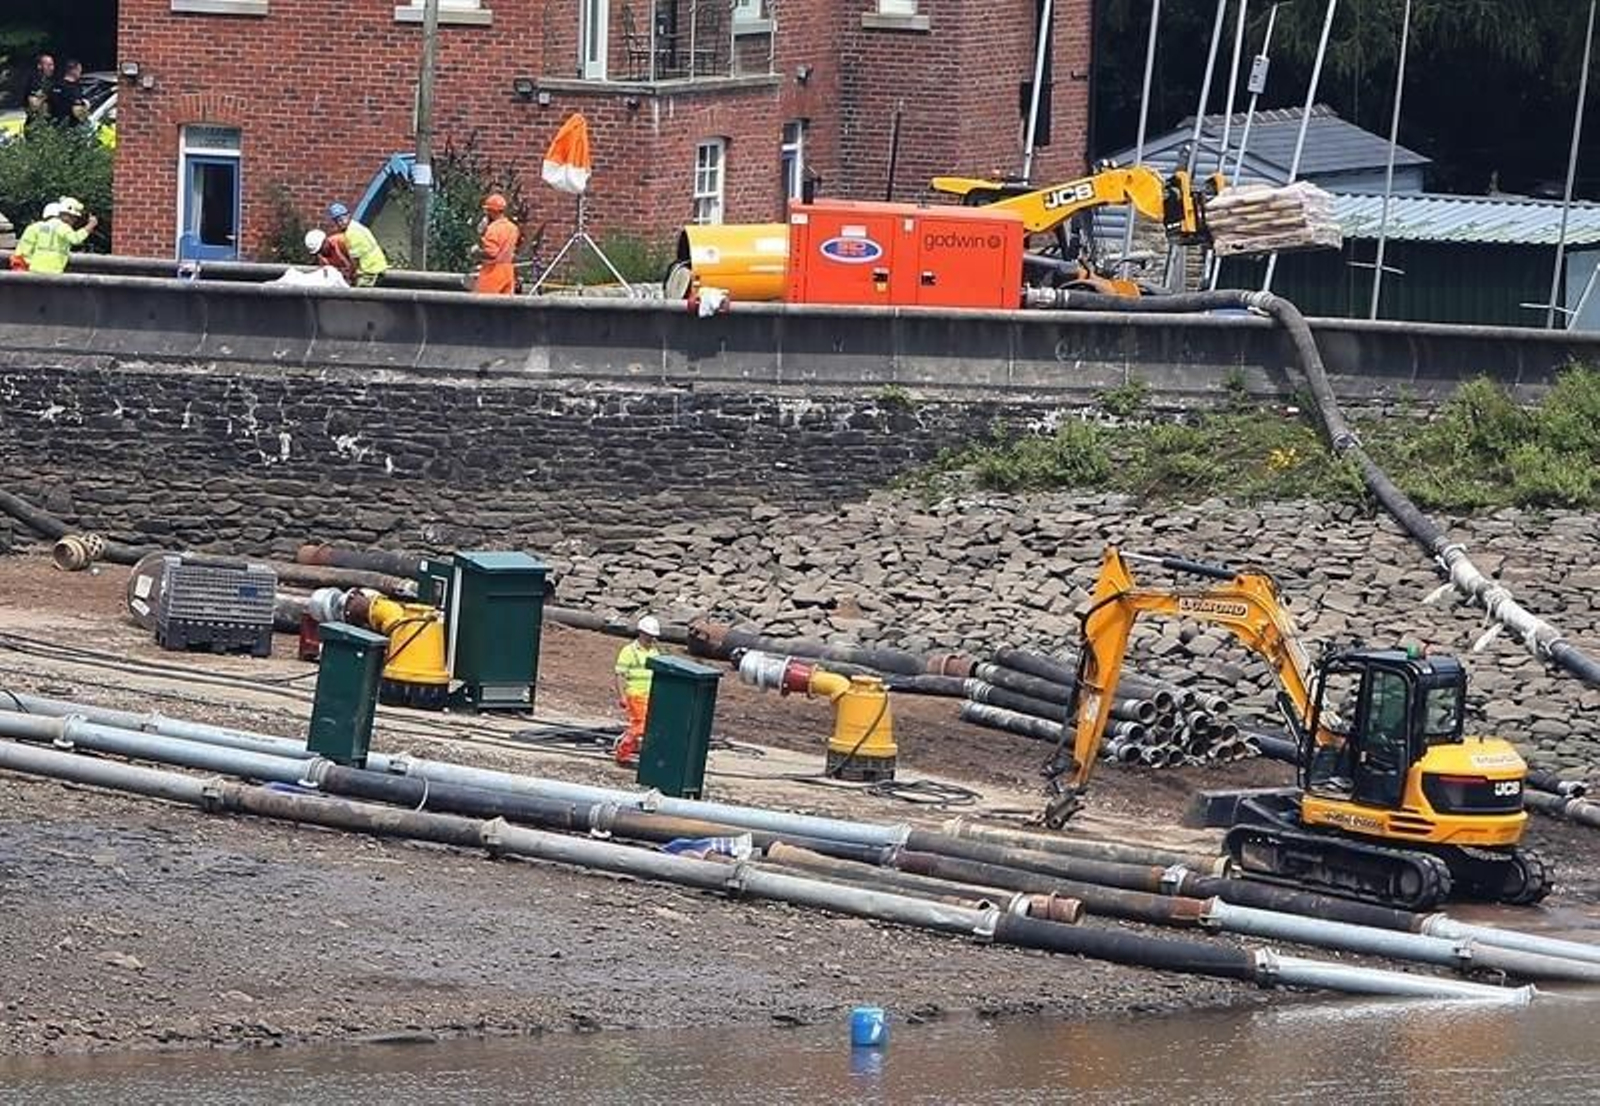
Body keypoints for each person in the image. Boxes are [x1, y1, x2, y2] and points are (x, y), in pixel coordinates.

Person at [613, 615, 662, 767]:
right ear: (641, 633)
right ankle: (622, 754)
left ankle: (631, 750)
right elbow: (620, 674)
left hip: (651, 695)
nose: (651, 639)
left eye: (653, 636)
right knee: (640, 725)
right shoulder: (629, 651)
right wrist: (622, 696)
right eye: (649, 635)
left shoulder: (654, 652)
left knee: (647, 726)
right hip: (636, 695)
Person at [12, 197, 96, 274]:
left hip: (34, 269)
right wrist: (90, 226)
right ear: (66, 214)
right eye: (74, 217)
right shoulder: (62, 226)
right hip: (53, 270)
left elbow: (24, 250)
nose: (74, 221)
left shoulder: (37, 227)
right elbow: (75, 239)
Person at [326, 202, 387, 287]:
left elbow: (354, 261)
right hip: (378, 266)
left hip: (370, 270)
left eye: (343, 218)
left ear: (348, 216)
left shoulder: (351, 234)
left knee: (359, 295)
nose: (341, 222)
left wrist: (351, 275)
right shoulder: (356, 226)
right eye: (338, 220)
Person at [473, 193, 519, 295]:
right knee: (504, 307)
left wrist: (476, 252)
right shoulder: (512, 228)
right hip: (508, 271)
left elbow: (491, 253)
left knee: (483, 306)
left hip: (492, 272)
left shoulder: (493, 229)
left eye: (487, 211)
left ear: (491, 211)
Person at [49, 59, 89, 126]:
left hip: (53, 126)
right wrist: (86, 105)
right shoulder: (74, 89)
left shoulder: (55, 85)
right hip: (69, 129)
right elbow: (77, 111)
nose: (80, 73)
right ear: (73, 71)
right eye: (79, 70)